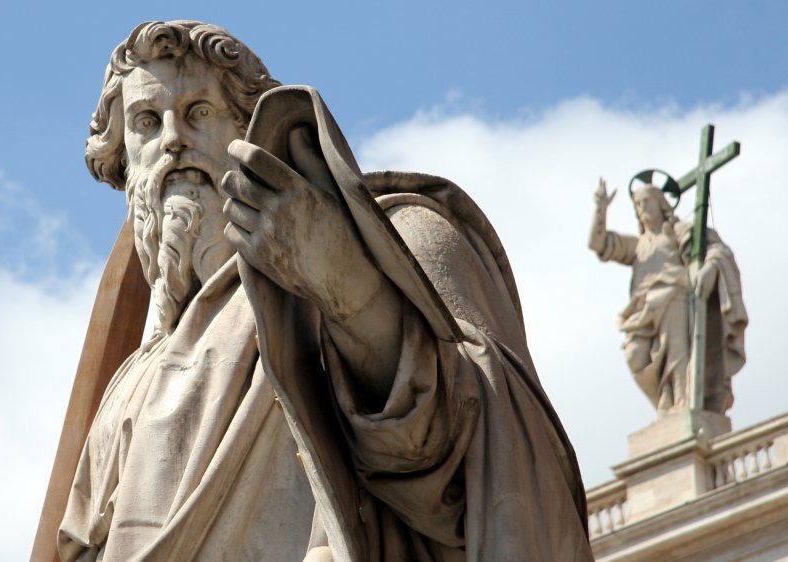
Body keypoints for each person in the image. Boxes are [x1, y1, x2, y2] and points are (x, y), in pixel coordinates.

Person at [54, 20, 592, 561]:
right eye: (147, 122)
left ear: (249, 132)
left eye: (199, 113)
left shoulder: (385, 240)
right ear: (125, 162)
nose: (173, 139)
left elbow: (473, 444)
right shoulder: (127, 382)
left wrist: (342, 281)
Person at [588, 179, 747, 414]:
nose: (641, 209)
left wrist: (709, 268)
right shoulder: (638, 245)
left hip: (675, 298)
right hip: (643, 311)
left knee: (677, 355)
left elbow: (714, 248)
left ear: (661, 203)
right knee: (635, 356)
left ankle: (681, 404)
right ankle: (665, 406)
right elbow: (598, 243)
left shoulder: (676, 231)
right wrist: (601, 208)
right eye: (637, 205)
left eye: (645, 202)